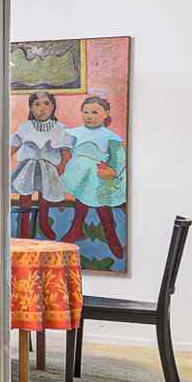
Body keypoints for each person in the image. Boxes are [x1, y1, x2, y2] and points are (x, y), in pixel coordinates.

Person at [61, 93, 127, 260]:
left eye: (95, 112)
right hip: (78, 174)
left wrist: (113, 171)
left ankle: (109, 231)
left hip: (100, 174)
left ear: (106, 114)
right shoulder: (75, 133)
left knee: (97, 190)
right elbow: (66, 151)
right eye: (86, 112)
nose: (89, 116)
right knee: (84, 185)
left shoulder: (109, 136)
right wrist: (62, 166)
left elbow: (118, 157)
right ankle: (76, 227)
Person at [9, 90, 72, 238]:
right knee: (25, 194)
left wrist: (62, 164)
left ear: (53, 107)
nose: (41, 108)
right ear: (31, 108)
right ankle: (24, 222)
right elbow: (14, 145)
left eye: (46, 104)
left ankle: (43, 221)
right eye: (36, 104)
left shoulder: (59, 128)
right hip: (28, 167)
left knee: (45, 193)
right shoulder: (26, 127)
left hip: (48, 168)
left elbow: (66, 150)